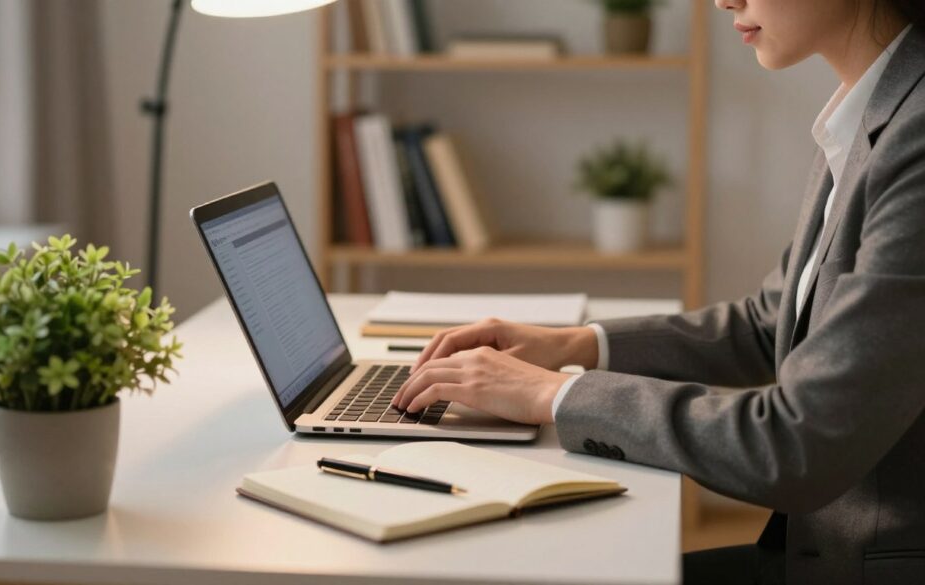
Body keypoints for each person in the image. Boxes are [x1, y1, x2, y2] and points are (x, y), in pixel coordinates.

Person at [391, 1, 925, 583]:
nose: (725, 0)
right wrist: (572, 346)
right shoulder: (874, 110)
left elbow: (796, 443)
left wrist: (554, 395)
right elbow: (768, 322)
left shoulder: (915, 138)